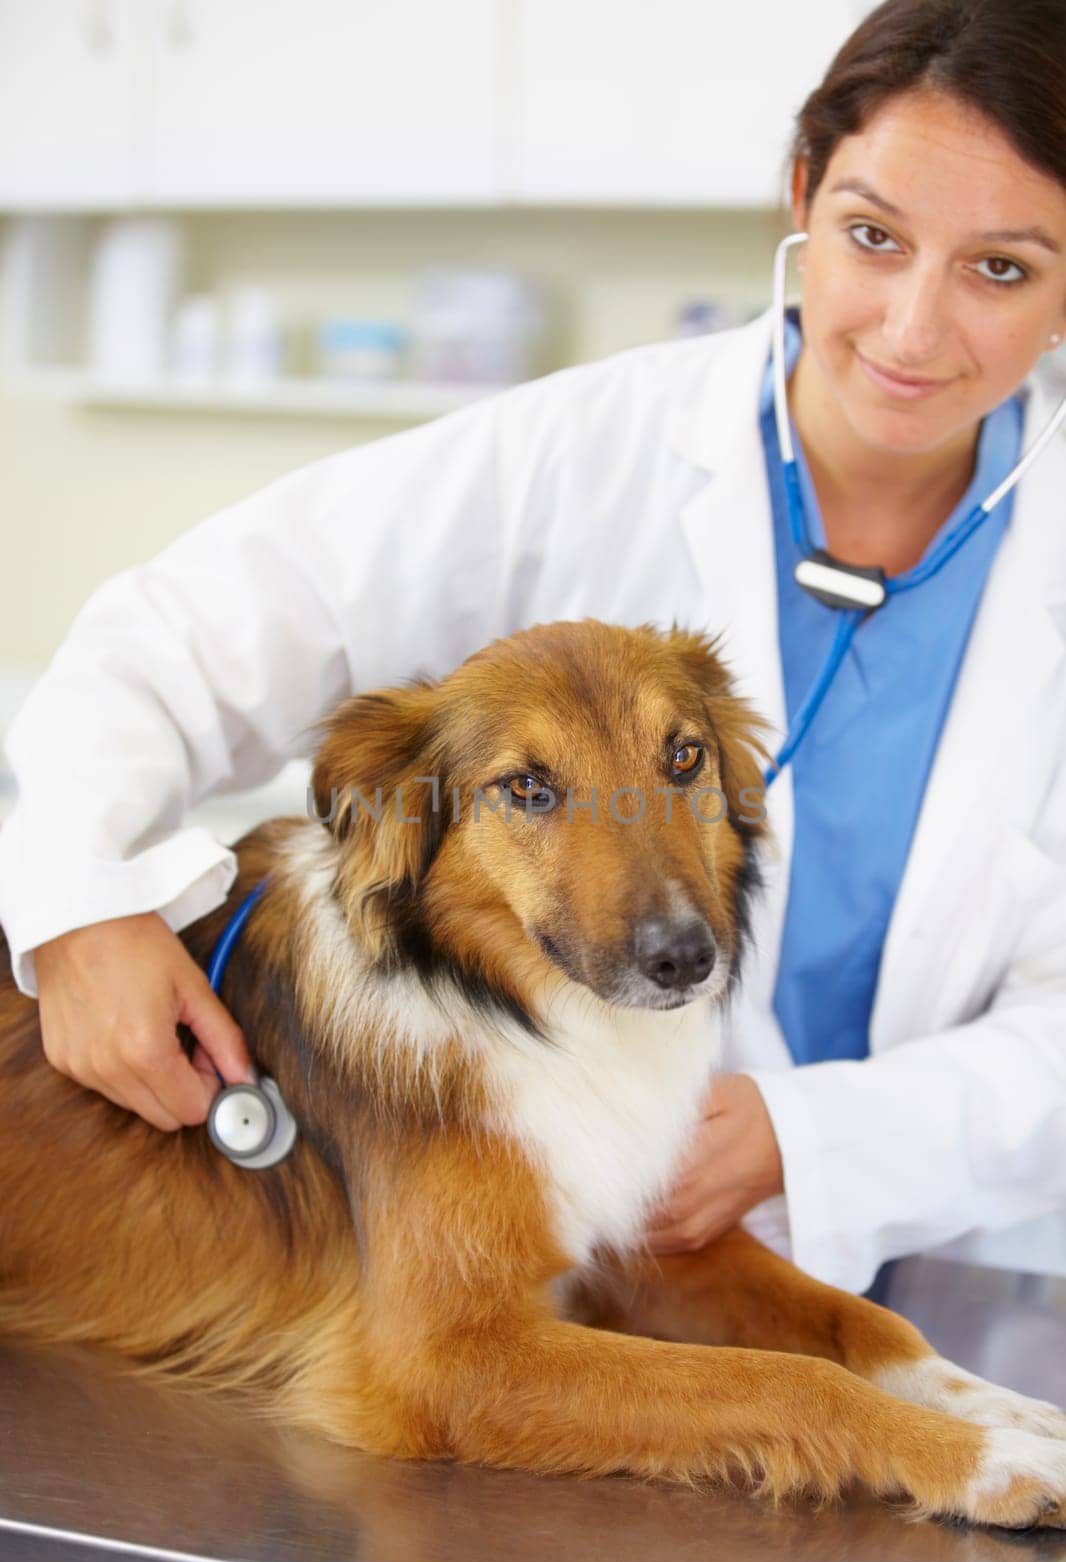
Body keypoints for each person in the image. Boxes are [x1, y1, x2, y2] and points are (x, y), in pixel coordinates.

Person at [2, 0, 1065, 1297]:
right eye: (870, 236)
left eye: (999, 269)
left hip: (953, 1262)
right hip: (540, 1240)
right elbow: (172, 636)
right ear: (798, 195)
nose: (910, 328)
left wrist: (812, 1141)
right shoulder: (576, 454)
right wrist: (78, 910)